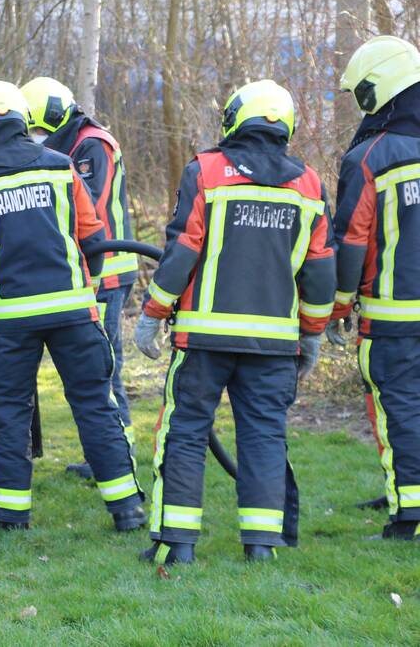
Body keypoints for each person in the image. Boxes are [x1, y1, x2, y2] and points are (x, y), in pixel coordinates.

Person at [134, 79, 336, 564]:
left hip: (203, 339)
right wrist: (311, 335)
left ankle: (178, 546)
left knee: (184, 430)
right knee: (264, 435)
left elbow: (184, 249)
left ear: (233, 119)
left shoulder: (206, 170)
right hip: (272, 346)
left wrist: (152, 314)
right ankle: (261, 548)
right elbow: (321, 268)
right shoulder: (309, 184)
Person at [0, 79, 145, 531]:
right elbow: (93, 237)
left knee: (10, 413)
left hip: (10, 322)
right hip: (75, 313)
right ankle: (127, 509)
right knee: (95, 404)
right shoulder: (60, 166)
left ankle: (10, 514)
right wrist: (83, 293)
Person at [21, 77, 139, 479]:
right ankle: (105, 455)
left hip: (107, 269)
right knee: (98, 367)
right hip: (86, 270)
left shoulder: (92, 144)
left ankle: (116, 455)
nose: (35, 137)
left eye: (37, 128)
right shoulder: (65, 145)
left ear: (54, 117)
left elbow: (89, 200)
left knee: (103, 368)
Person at [331, 35, 420, 541]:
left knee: (400, 407)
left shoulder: (372, 156)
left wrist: (340, 304)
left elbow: (352, 240)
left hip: (396, 315)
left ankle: (409, 514)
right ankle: (402, 490)